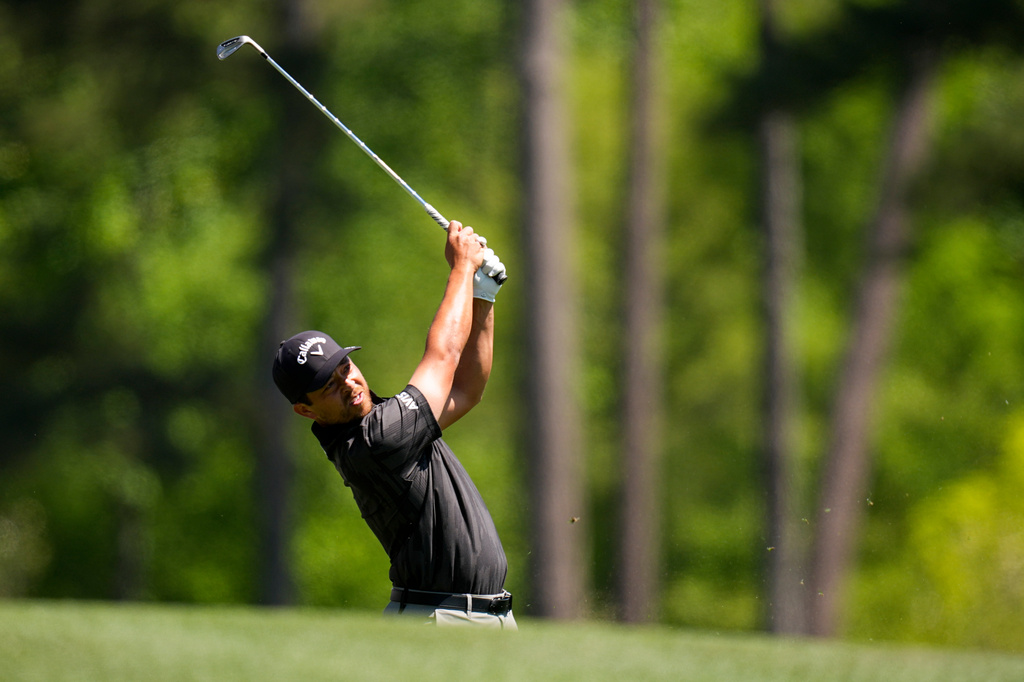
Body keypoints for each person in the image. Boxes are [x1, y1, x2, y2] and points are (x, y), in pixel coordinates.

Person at [271, 220, 515, 630]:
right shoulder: (377, 441)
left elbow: (467, 389)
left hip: (474, 619)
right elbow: (443, 357)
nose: (348, 384)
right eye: (328, 387)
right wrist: (461, 269)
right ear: (306, 411)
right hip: (440, 621)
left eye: (345, 367)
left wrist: (483, 295)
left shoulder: (390, 425)